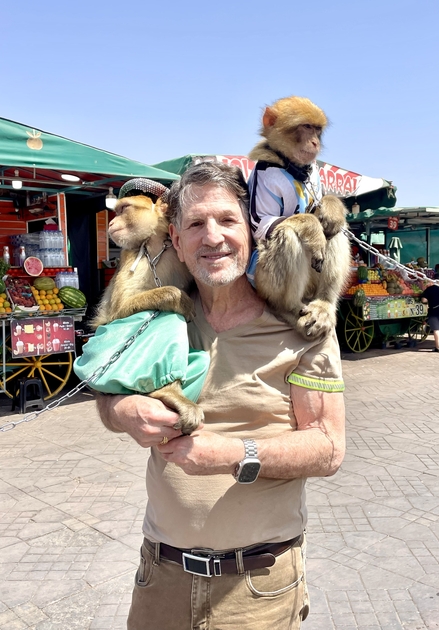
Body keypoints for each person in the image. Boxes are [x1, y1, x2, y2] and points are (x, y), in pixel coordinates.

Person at [96, 161, 346, 630]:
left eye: (227, 220)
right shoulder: (159, 315)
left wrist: (232, 454)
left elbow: (329, 448)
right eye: (195, 224)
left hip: (257, 587)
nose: (212, 237)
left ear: (251, 230)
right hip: (161, 577)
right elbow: (107, 398)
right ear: (175, 238)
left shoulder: (302, 327)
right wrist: (123, 409)